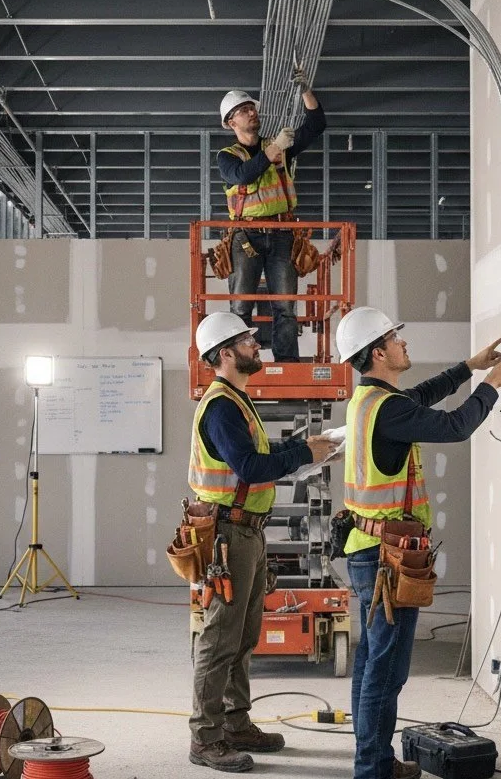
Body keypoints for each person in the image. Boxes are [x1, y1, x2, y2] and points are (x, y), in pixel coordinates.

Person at [334, 307, 501, 779]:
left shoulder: (370, 400)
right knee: (386, 668)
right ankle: (372, 770)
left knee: (373, 661)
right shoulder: (388, 409)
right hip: (386, 558)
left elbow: (419, 396)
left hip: (366, 546)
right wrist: (491, 385)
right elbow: (455, 427)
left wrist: (469, 366)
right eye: (396, 338)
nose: (404, 344)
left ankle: (374, 761)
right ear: (378, 351)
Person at [188, 311, 337, 772]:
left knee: (244, 635)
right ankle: (205, 738)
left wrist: (301, 451)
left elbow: (260, 457)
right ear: (226, 353)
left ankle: (235, 723)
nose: (258, 345)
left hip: (246, 531)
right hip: (228, 534)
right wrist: (301, 454)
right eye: (248, 340)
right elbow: (249, 467)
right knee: (219, 639)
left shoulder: (237, 399)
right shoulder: (220, 406)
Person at [216, 66, 326, 362]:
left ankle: (287, 364)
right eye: (243, 110)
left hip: (281, 234)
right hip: (245, 237)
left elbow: (316, 124)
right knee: (240, 307)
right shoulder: (227, 156)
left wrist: (306, 92)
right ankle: (240, 362)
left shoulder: (280, 149)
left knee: (285, 306)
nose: (251, 112)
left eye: (252, 108)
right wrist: (275, 147)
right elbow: (244, 176)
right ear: (230, 123)